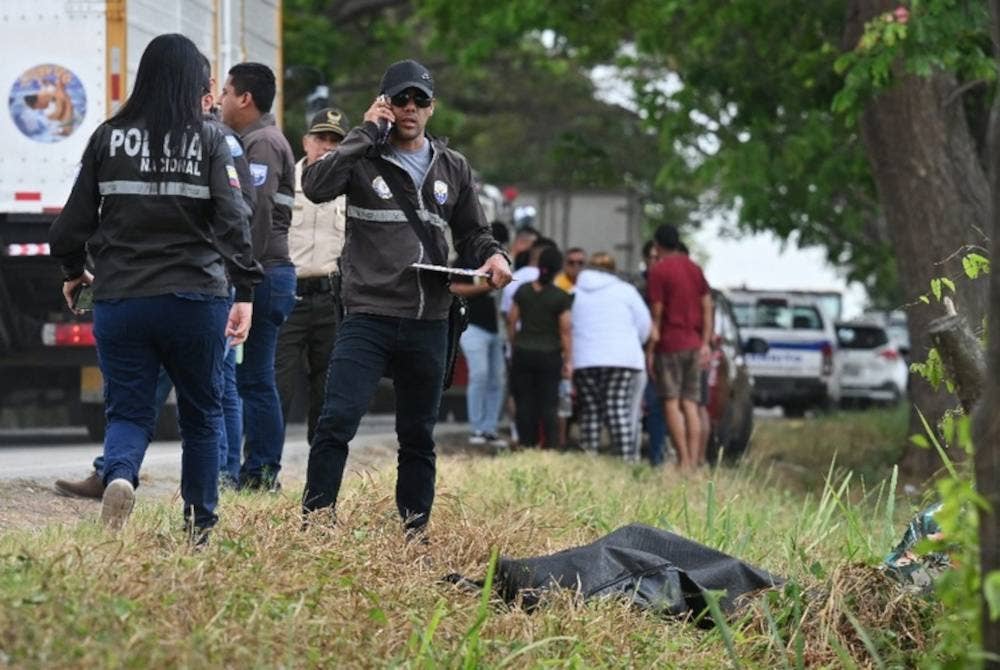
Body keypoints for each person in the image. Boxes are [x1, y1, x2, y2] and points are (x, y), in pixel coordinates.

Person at [48, 33, 261, 534]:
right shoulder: (210, 139)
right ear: (194, 83)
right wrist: (246, 291)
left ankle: (120, 475)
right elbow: (235, 220)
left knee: (128, 409)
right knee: (202, 414)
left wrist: (74, 272)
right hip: (194, 298)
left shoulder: (107, 136)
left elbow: (69, 227)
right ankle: (199, 524)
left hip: (122, 299)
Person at [299, 59, 512, 534]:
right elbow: (314, 187)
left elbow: (474, 232)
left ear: (431, 108)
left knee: (417, 435)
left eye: (418, 100)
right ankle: (315, 523)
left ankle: (413, 531)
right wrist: (365, 131)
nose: (409, 108)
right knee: (336, 421)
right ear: (385, 104)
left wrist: (495, 257)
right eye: (400, 100)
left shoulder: (452, 166)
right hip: (368, 314)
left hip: (429, 317)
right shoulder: (362, 157)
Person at [219, 62, 298, 491]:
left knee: (254, 380)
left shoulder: (262, 143)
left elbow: (257, 215)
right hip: (266, 272)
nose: (222, 100)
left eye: (228, 92)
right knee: (250, 379)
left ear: (245, 98)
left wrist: (241, 276)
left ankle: (261, 472)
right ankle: (255, 471)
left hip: (264, 273)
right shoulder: (252, 140)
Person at [275, 107, 349, 444]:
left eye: (336, 141)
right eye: (321, 138)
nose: (328, 147)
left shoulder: (351, 189)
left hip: (331, 299)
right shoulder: (284, 182)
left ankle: (319, 474)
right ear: (306, 142)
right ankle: (262, 470)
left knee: (328, 389)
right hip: (288, 296)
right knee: (276, 385)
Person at [571, 252, 651, 460]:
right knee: (617, 409)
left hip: (584, 359)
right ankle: (626, 460)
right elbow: (645, 326)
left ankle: (590, 457)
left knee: (590, 411)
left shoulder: (574, 291)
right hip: (622, 359)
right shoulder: (626, 291)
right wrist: (635, 342)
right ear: (613, 269)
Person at [646, 224, 713, 470]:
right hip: (694, 344)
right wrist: (705, 342)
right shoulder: (695, 269)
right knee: (691, 404)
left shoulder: (658, 271)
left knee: (672, 402)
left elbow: (657, 313)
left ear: (657, 245)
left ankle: (683, 460)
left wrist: (651, 350)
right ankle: (695, 461)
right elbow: (707, 305)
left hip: (670, 343)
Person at [450, 221, 510, 447]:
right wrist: (487, 287)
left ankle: (489, 429)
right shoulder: (467, 260)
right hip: (473, 326)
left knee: (497, 379)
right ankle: (477, 427)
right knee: (480, 375)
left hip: (496, 329)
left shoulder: (504, 263)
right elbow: (454, 287)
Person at [507, 246, 573, 449]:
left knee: (524, 401)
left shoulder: (523, 290)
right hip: (550, 355)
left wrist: (514, 343)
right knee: (548, 402)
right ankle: (551, 445)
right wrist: (568, 360)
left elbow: (511, 320)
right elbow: (565, 331)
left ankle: (526, 443)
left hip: (523, 352)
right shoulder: (560, 296)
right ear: (558, 269)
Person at [636, 239, 669, 466]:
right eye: (652, 258)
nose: (656, 262)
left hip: (662, 353)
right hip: (638, 354)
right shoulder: (637, 288)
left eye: (659, 258)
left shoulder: (668, 284)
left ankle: (657, 457)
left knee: (657, 407)